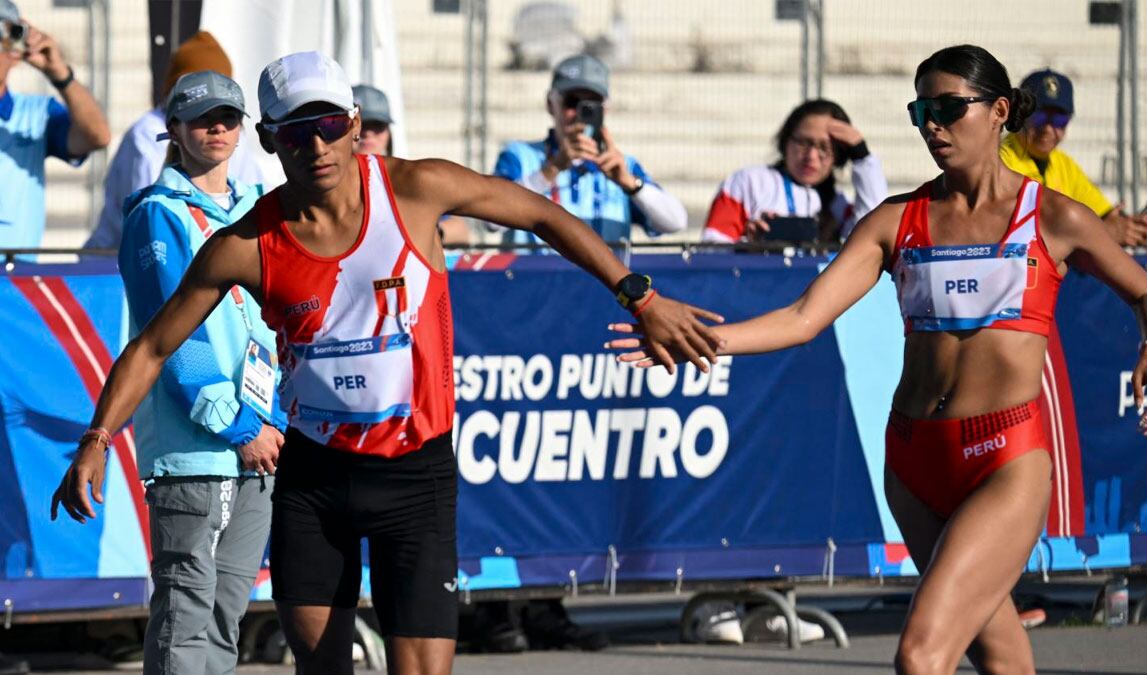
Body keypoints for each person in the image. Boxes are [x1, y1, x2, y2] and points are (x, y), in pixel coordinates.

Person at [51, 51, 722, 675]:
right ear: (268, 139)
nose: (314, 145)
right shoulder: (245, 242)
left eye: (329, 125)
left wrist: (641, 295)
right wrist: (97, 438)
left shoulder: (416, 189)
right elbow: (153, 345)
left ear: (356, 127)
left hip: (414, 477)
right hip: (315, 480)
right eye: (293, 131)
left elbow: (541, 213)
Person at [608, 44, 1147, 673]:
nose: (933, 124)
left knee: (921, 654)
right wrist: (696, 341)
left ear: (999, 111)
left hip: (1007, 459)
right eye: (921, 110)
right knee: (1000, 654)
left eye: (949, 107)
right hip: (913, 461)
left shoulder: (1053, 215)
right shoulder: (896, 219)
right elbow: (803, 318)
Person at [115, 70, 281, 674]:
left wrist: (273, 419)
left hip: (258, 444)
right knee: (185, 622)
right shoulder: (157, 215)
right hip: (198, 453)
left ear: (244, 130)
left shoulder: (253, 210)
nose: (217, 127)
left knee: (223, 623)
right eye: (201, 117)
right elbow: (174, 341)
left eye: (229, 117)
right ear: (174, 131)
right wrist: (243, 427)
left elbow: (269, 328)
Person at [85, 30, 264, 250]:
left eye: (227, 113)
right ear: (175, 130)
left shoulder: (235, 137)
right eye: (202, 111)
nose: (218, 127)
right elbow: (148, 224)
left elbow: (251, 194)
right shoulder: (147, 134)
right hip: (111, 266)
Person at [492, 53, 687, 248]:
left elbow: (676, 222)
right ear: (551, 104)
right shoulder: (519, 156)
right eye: (572, 102)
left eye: (592, 104)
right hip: (533, 278)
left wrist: (630, 184)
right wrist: (550, 171)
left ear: (605, 109)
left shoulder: (624, 166)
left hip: (602, 279)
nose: (579, 113)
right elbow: (490, 221)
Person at [1000, 68, 1147, 247]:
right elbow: (1025, 236)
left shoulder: (1063, 164)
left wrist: (1132, 227)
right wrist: (1105, 233)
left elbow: (1102, 213)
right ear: (1020, 115)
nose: (1048, 129)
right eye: (1039, 116)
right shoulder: (1000, 161)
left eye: (1059, 120)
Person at [0, 0, 109, 250]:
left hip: (15, 282)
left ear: (15, 47)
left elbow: (97, 136)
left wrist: (60, 74)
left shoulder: (37, 113)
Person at [702, 99, 887, 244]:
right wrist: (748, 247)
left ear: (838, 156)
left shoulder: (839, 206)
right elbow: (710, 248)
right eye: (804, 143)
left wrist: (863, 157)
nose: (811, 156)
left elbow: (877, 229)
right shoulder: (749, 182)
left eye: (824, 147)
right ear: (785, 141)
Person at [354, 82, 470, 246]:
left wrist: (428, 232)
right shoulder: (324, 183)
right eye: (361, 125)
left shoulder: (406, 177)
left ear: (389, 134)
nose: (368, 134)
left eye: (378, 126)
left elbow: (461, 231)